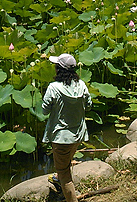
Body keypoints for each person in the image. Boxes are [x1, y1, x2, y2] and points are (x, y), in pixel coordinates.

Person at [42, 53, 92, 202]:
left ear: (59, 69)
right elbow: (88, 106)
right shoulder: (81, 85)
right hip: (78, 134)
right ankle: (59, 180)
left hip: (60, 137)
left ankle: (71, 198)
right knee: (65, 164)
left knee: (64, 173)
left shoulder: (53, 88)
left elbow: (45, 110)